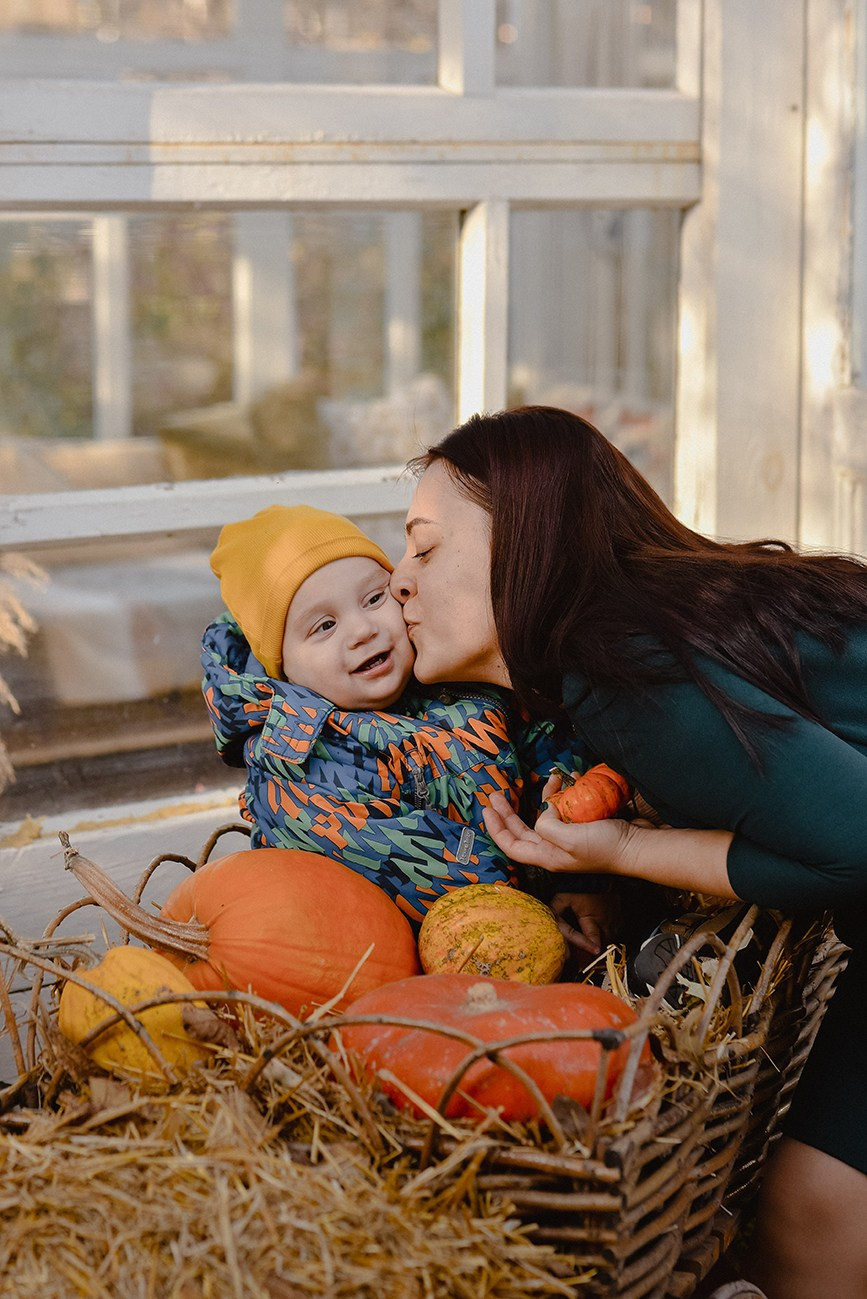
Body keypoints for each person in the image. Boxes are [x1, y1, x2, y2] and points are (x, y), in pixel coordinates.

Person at [388, 404, 867, 1299]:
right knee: (809, 1218)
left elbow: (857, 843)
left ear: (523, 544)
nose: (397, 580)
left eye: (423, 547)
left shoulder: (624, 677)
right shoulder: (641, 644)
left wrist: (623, 847)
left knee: (810, 1218)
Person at [201, 503, 603, 936]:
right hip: (462, 934)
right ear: (282, 668)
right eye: (324, 626)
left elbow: (547, 745)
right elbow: (407, 861)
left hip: (543, 893)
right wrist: (535, 898)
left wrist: (579, 873)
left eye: (374, 599)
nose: (363, 630)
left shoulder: (444, 671)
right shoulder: (297, 766)